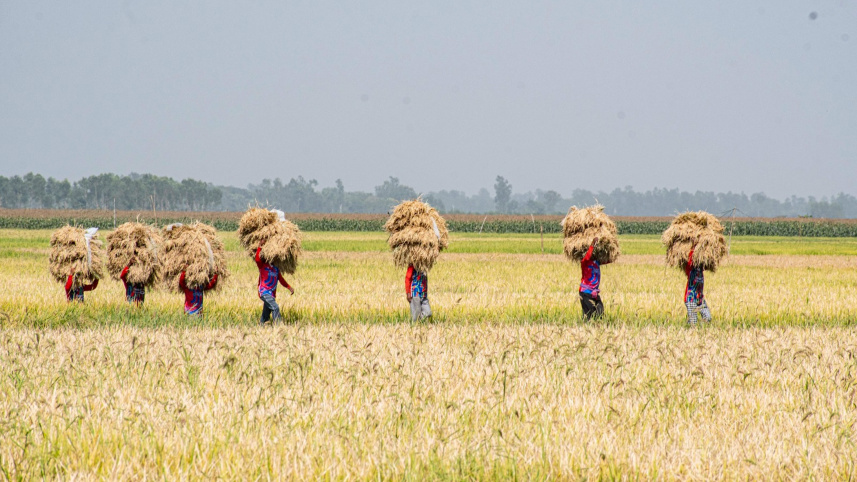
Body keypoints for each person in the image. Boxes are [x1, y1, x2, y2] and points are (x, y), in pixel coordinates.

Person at [255, 242, 294, 325]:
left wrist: (289, 287)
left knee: (265, 315)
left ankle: (261, 327)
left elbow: (281, 280)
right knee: (275, 307)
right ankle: (278, 326)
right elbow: (257, 259)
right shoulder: (262, 266)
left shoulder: (276, 269)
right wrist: (260, 246)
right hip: (264, 292)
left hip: (272, 294)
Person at [579, 237, 610, 320]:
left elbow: (609, 260)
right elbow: (587, 256)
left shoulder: (596, 262)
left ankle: (597, 327)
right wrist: (592, 244)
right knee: (590, 315)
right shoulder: (584, 262)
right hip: (585, 293)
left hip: (594, 293)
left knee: (600, 312)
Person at [685, 243, 712, 325]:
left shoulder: (701, 269)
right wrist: (695, 247)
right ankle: (692, 335)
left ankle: (702, 332)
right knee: (693, 322)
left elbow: (707, 264)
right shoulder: (690, 269)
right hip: (691, 298)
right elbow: (690, 259)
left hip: (700, 299)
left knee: (708, 318)